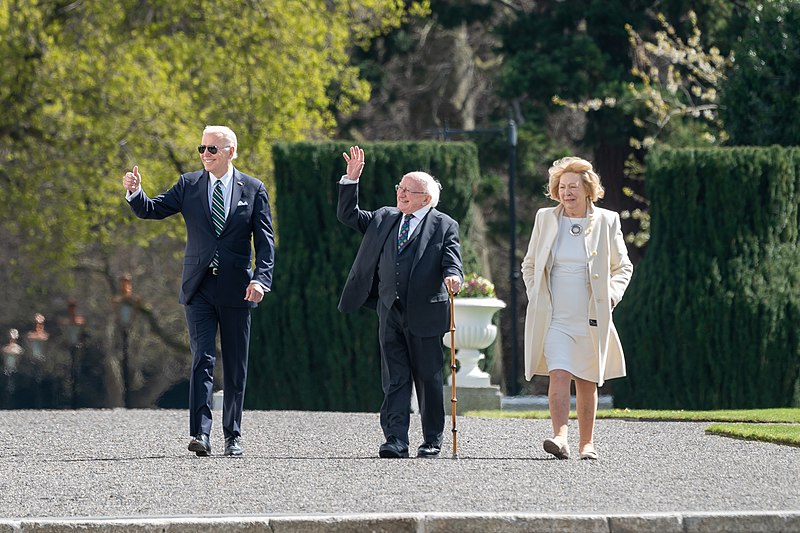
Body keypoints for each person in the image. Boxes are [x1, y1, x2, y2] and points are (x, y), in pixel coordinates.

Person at [122, 125, 274, 457]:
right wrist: (136, 193)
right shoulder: (188, 184)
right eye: (201, 148)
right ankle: (200, 435)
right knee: (201, 359)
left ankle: (233, 436)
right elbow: (153, 209)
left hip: (237, 288)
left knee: (234, 365)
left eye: (212, 150)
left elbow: (265, 243)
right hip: (199, 286)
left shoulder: (254, 188)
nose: (205, 154)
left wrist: (260, 279)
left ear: (230, 152)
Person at [337, 145, 463, 459]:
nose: (402, 193)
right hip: (389, 310)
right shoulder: (384, 217)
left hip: (426, 313)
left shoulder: (444, 225)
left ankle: (432, 439)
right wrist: (350, 181)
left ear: (427, 198)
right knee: (394, 378)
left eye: (409, 190)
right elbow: (348, 215)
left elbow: (452, 260)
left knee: (428, 379)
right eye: (400, 188)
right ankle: (395, 439)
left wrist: (454, 277)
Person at [521, 156, 632, 461]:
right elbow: (530, 264)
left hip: (590, 316)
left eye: (573, 186)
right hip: (555, 316)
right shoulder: (545, 218)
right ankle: (560, 437)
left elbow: (623, 267)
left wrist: (612, 294)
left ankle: (587, 444)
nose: (567, 192)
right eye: (562, 187)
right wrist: (536, 293)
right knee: (558, 374)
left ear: (587, 189)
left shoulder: (607, 221)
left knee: (586, 379)